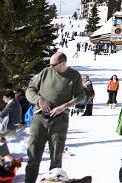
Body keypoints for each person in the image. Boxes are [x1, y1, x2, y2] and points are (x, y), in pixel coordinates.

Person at [24, 52, 85, 183]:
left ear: (63, 63)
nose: (50, 66)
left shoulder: (74, 76)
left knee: (56, 158)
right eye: (50, 64)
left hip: (59, 120)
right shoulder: (45, 72)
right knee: (33, 156)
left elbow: (81, 96)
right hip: (39, 118)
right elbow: (30, 90)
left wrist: (64, 106)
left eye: (53, 64)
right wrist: (39, 99)